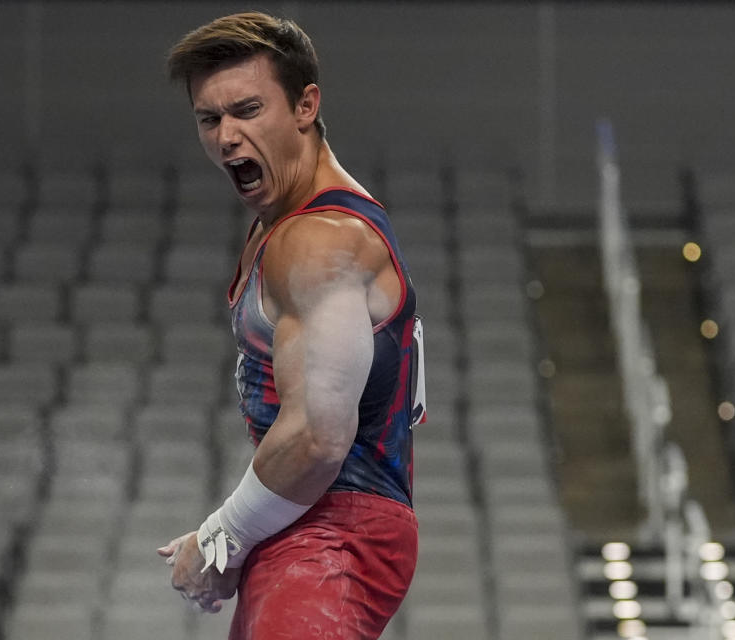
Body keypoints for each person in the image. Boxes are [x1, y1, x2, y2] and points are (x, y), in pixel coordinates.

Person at [157, 11, 425, 639]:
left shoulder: (319, 240)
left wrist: (223, 535)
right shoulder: (280, 226)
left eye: (247, 110)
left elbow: (317, 438)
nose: (226, 136)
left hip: (335, 532)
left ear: (306, 106)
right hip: (306, 524)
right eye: (209, 118)